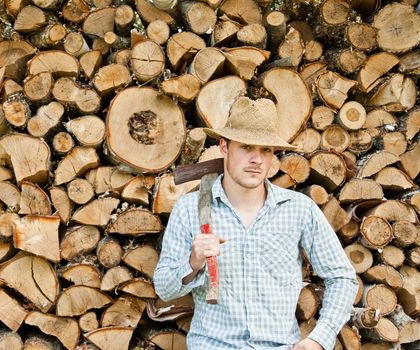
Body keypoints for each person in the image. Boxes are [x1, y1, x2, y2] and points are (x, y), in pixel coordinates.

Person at [153, 97, 358, 350]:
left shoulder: (298, 209)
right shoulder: (190, 209)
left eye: (266, 150)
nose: (257, 159)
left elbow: (342, 278)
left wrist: (320, 338)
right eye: (247, 147)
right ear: (224, 147)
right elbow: (164, 288)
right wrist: (193, 263)